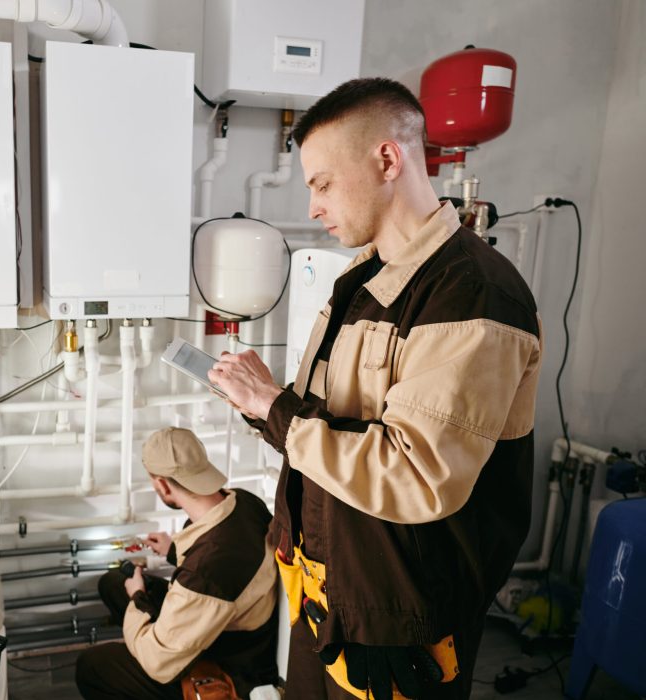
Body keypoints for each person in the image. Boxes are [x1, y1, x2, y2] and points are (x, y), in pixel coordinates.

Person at [208, 77, 543, 700]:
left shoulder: (470, 293)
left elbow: (413, 473)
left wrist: (275, 410)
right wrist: (258, 404)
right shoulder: (361, 280)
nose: (312, 206)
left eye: (322, 183)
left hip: (399, 617)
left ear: (388, 159)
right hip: (327, 591)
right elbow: (335, 420)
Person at [75, 427, 278, 699]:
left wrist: (137, 596)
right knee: (113, 583)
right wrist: (173, 550)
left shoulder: (205, 573)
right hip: (238, 621)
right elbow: (228, 552)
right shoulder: (243, 501)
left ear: (161, 483)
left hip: (231, 660)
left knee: (92, 666)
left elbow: (159, 664)